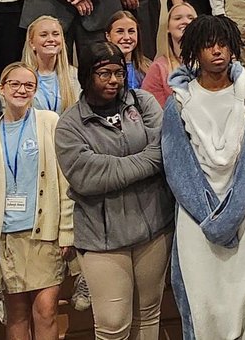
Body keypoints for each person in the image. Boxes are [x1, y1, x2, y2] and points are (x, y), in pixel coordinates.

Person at [161, 16, 245, 339]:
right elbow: (178, 169)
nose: (217, 51)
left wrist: (230, 216)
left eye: (223, 44)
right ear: (195, 50)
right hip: (197, 220)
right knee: (204, 303)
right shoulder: (177, 102)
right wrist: (211, 218)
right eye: (209, 45)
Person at [54, 41, 174, 340]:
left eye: (119, 73)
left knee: (148, 315)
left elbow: (165, 152)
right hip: (102, 238)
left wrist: (119, 167)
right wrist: (146, 160)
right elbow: (88, 177)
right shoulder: (69, 124)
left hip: (153, 228)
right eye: (104, 73)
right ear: (87, 75)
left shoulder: (143, 103)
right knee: (112, 325)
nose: (113, 81)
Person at [0, 62, 73, 340]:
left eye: (29, 85)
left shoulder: (50, 122)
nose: (21, 90)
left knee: (46, 310)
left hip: (45, 234)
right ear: (2, 88)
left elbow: (64, 181)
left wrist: (67, 231)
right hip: (7, 237)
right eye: (15, 84)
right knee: (16, 314)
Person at [21, 16, 82, 114]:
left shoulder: (74, 75)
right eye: (43, 35)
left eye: (56, 34)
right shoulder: (21, 78)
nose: (51, 39)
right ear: (32, 43)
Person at [141, 2, 198, 107]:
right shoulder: (158, 68)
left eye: (191, 18)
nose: (185, 21)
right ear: (168, 28)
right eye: (178, 18)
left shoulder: (208, 63)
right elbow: (152, 109)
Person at [106, 10, 150, 90]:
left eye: (131, 31)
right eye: (120, 31)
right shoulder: (100, 68)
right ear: (108, 36)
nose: (126, 37)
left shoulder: (149, 68)